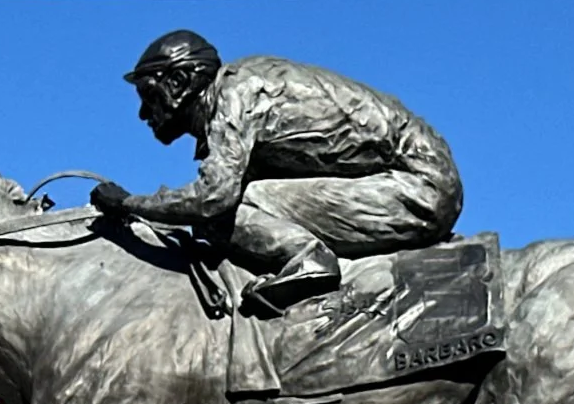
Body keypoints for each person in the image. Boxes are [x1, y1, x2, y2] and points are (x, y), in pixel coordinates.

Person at [91, 30, 464, 316]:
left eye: (147, 95)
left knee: (227, 214)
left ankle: (308, 262)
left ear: (178, 82)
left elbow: (213, 198)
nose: (143, 113)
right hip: (410, 180)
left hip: (417, 187)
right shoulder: (244, 89)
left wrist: (129, 204)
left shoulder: (236, 94)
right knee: (236, 206)